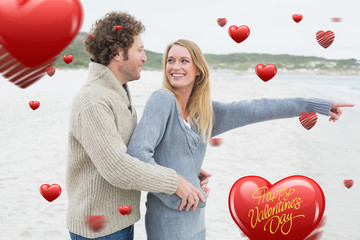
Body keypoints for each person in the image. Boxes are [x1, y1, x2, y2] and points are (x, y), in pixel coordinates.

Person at [126, 39, 355, 240]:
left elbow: (258, 108)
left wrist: (313, 105)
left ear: (198, 70)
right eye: (170, 60)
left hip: (196, 217)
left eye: (184, 61)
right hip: (168, 220)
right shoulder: (162, 99)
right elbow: (137, 154)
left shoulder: (205, 113)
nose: (175, 67)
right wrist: (178, 182)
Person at [66, 13, 210, 240]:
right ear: (117, 53)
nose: (144, 57)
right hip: (98, 231)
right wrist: (175, 181)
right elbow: (116, 167)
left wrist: (179, 163)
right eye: (139, 50)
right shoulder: (93, 100)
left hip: (119, 222)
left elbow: (129, 146)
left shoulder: (117, 91)